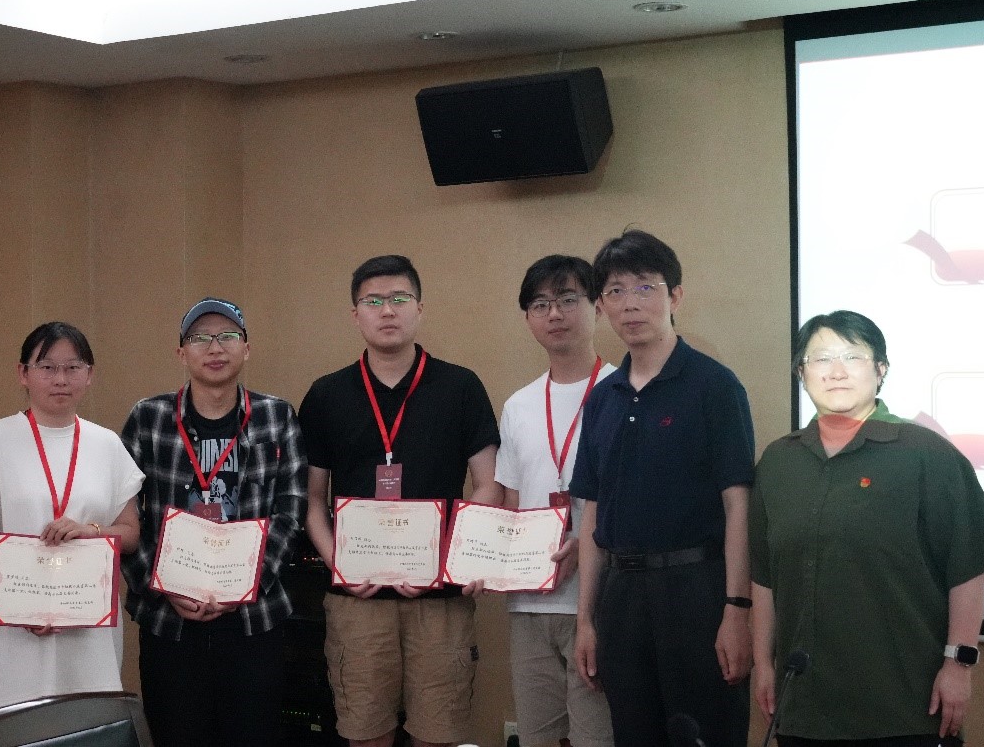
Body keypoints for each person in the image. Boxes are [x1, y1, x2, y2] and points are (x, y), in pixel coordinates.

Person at [749, 310, 984, 747]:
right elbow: (764, 576)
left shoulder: (927, 453)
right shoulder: (779, 461)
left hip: (906, 705)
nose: (836, 371)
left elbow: (967, 566)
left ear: (881, 369)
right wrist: (764, 664)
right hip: (805, 706)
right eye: (820, 359)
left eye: (852, 356)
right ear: (801, 373)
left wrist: (958, 664)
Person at [301, 254, 502, 747]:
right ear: (355, 315)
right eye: (373, 301)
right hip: (357, 600)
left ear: (419, 308)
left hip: (439, 600)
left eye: (398, 298)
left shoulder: (460, 387)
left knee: (439, 734)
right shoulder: (326, 395)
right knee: (364, 733)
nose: (387, 310)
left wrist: (450, 560)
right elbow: (312, 501)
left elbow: (488, 484)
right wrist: (340, 563)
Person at [568, 230, 754, 747]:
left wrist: (736, 610)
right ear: (602, 306)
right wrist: (586, 621)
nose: (630, 304)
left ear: (675, 296)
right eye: (616, 291)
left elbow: (738, 505)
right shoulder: (602, 398)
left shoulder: (715, 386)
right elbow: (592, 514)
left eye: (645, 287)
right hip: (621, 598)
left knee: (708, 734)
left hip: (697, 592)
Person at [120, 297, 308, 747]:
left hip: (253, 620)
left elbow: (291, 510)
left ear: (247, 348)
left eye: (227, 336)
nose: (215, 347)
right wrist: (164, 586)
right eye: (200, 337)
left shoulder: (276, 416)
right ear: (181, 352)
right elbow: (124, 515)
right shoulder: (148, 417)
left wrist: (245, 583)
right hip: (169, 621)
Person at [0, 321, 144, 711]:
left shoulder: (107, 445)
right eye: (47, 367)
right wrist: (21, 601)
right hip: (6, 632)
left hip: (84, 632)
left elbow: (130, 533)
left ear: (90, 375)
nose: (61, 379)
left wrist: (91, 531)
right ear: (23, 373)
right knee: (10, 730)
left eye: (73, 367)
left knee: (83, 726)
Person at [495, 255, 615, 747]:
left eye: (568, 299)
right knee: (537, 737)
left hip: (600, 601)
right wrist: (485, 561)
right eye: (541, 304)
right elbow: (510, 504)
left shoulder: (622, 392)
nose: (555, 314)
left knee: (597, 737)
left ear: (597, 306)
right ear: (528, 317)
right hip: (529, 602)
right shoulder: (518, 405)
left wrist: (586, 549)